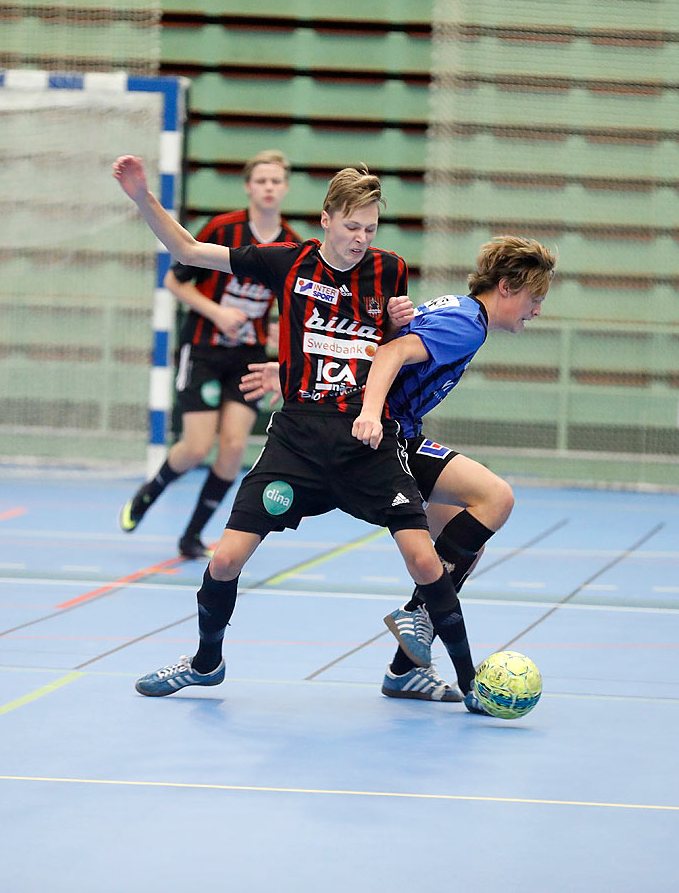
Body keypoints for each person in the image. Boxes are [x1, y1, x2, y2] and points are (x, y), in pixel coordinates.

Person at [113, 153, 493, 715]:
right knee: (224, 561)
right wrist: (144, 197)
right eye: (351, 226)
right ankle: (205, 663)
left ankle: (469, 683)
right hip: (296, 441)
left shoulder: (390, 269)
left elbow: (380, 344)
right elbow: (188, 252)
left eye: (370, 228)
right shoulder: (286, 262)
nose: (361, 238)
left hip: (366, 440)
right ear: (326, 219)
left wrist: (396, 323)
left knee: (425, 561)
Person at [241, 237, 556, 703]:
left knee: (462, 543)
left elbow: (376, 340)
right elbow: (389, 355)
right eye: (535, 300)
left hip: (392, 429)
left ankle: (404, 670)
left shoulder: (459, 309)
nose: (536, 312)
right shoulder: (467, 324)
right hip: (387, 437)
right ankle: (420, 615)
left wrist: (299, 370)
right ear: (507, 287)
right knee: (495, 498)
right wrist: (367, 411)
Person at [119, 149, 300, 560]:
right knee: (197, 446)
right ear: (249, 187)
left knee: (234, 446)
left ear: (285, 188)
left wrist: (276, 329)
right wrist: (217, 313)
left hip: (248, 355)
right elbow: (175, 280)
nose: (269, 188)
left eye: (276, 181)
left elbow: (290, 302)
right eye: (261, 181)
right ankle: (151, 491)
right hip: (202, 347)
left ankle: (192, 535)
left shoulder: (291, 244)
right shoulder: (223, 228)